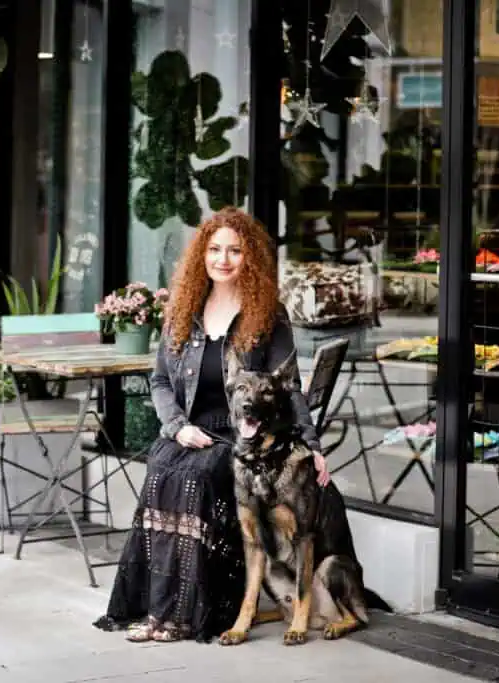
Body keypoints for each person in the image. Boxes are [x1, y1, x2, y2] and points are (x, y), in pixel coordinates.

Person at [92, 207, 330, 643]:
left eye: (235, 250)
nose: (223, 259)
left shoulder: (268, 315)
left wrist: (312, 445)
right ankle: (156, 609)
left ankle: (182, 613)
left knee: (197, 477)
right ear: (202, 255)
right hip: (187, 428)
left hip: (241, 438)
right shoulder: (184, 309)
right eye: (215, 249)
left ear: (250, 258)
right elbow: (160, 379)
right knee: (162, 470)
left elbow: (291, 388)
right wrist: (177, 426)